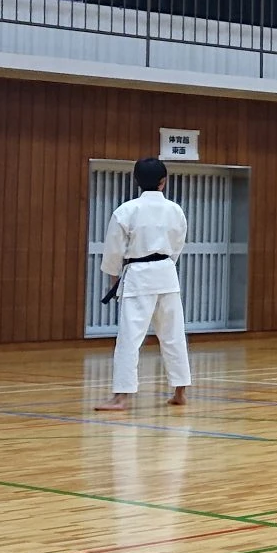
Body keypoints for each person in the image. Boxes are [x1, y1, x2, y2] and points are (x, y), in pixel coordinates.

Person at [98, 157, 190, 412]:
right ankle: (180, 391)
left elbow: (113, 251)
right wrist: (165, 263)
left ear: (136, 181)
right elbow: (178, 245)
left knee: (129, 337)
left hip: (138, 275)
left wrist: (114, 278)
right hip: (166, 274)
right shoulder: (175, 210)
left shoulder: (126, 210)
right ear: (164, 182)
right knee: (173, 335)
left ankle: (121, 397)